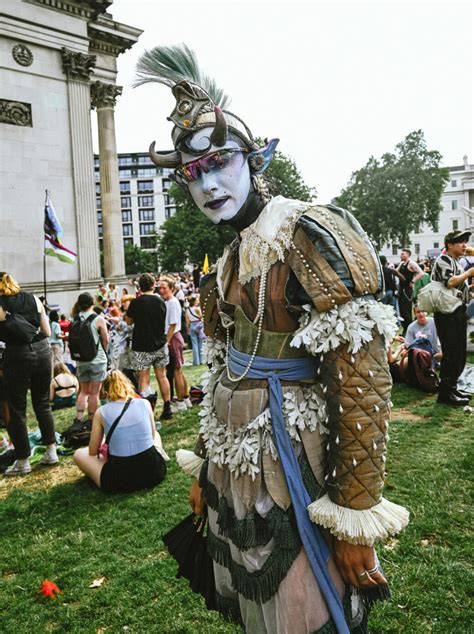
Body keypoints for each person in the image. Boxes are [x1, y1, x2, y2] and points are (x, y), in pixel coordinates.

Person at [138, 45, 409, 631]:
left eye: (220, 163)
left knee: (312, 605)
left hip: (301, 467)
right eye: (192, 173)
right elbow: (224, 372)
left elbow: (362, 384)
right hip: (238, 467)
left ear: (254, 159)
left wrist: (352, 517)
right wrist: (208, 473)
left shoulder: (308, 232)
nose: (208, 184)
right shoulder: (229, 261)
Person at [0, 272, 58, 475]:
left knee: (17, 409)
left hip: (17, 354)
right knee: (42, 403)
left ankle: (23, 460)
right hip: (42, 350)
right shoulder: (33, 298)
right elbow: (48, 332)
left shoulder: (1, 304)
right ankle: (51, 451)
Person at [73, 370, 168, 493]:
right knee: (156, 435)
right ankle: (160, 455)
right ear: (127, 386)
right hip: (154, 472)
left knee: (79, 454)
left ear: (106, 392)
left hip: (120, 480)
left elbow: (92, 452)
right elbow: (152, 435)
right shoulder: (145, 403)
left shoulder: (101, 412)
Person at [431, 230, 474, 405]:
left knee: (459, 354)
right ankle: (445, 394)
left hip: (456, 312)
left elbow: (457, 288)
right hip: (447, 314)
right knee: (451, 354)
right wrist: (468, 273)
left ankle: (452, 388)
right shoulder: (443, 260)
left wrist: (469, 289)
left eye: (465, 242)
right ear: (450, 245)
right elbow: (450, 282)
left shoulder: (455, 262)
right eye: (461, 242)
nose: (465, 245)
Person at [125, 273, 172, 420]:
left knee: (143, 379)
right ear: (154, 285)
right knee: (162, 376)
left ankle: (147, 412)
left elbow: (128, 322)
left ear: (139, 286)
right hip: (159, 343)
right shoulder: (161, 302)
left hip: (141, 345)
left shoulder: (136, 303)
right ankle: (167, 406)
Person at [72, 293, 108, 423]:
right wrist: (105, 351)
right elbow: (106, 339)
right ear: (93, 303)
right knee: (94, 393)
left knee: (83, 392)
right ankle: (92, 419)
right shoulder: (98, 319)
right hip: (97, 359)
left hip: (81, 360)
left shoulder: (75, 318)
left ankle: (79, 417)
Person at [159, 277, 191, 413]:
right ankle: (185, 397)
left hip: (173, 337)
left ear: (171, 288)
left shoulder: (172, 303)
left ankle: (180, 401)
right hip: (174, 336)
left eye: (164, 288)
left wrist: (167, 341)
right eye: (160, 288)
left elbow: (172, 324)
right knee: (179, 370)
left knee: (177, 370)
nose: (161, 291)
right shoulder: (170, 302)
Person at [396, 249, 424, 335]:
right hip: (401, 289)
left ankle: (409, 330)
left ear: (408, 254)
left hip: (407, 290)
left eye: (402, 254)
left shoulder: (411, 263)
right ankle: (405, 329)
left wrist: (413, 281)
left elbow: (421, 273)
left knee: (406, 311)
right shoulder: (401, 264)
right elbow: (396, 272)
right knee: (402, 310)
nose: (401, 255)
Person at [185, 296, 204, 365]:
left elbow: (187, 321)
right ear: (194, 301)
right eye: (197, 300)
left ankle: (196, 361)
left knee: (194, 344)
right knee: (200, 343)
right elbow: (201, 317)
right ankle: (201, 360)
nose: (198, 301)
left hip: (192, 326)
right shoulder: (197, 309)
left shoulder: (187, 310)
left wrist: (187, 329)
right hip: (198, 325)